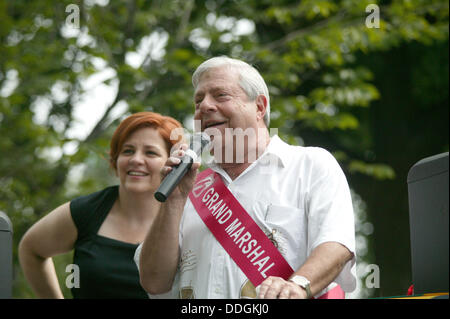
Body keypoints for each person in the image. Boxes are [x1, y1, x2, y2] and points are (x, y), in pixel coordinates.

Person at [136, 56, 356, 299]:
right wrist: (174, 201)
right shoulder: (186, 185)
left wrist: (298, 286)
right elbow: (154, 282)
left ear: (260, 107)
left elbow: (337, 244)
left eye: (221, 96)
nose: (204, 106)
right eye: (198, 100)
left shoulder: (310, 165)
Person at [19, 111, 183, 298]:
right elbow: (31, 249)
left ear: (173, 164)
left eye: (150, 152)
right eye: (127, 150)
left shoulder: (188, 219)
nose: (136, 159)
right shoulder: (87, 211)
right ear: (115, 159)